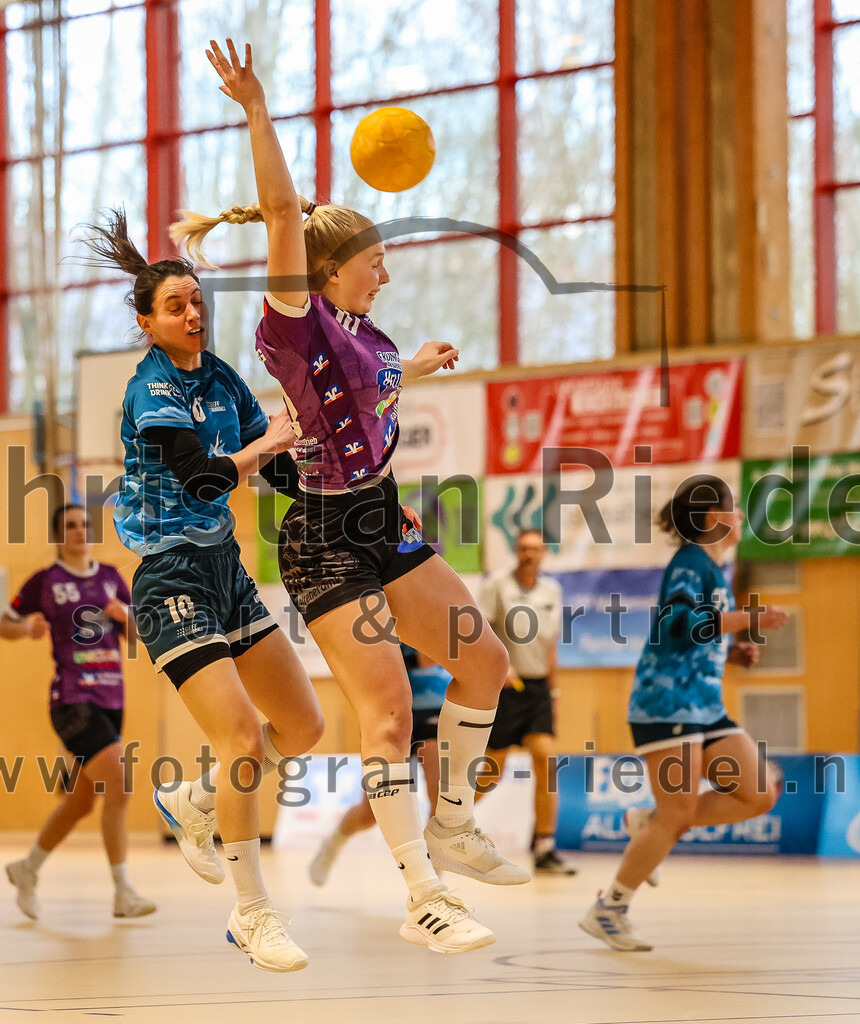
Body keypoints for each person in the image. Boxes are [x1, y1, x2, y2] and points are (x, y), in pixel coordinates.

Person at [170, 38, 528, 956]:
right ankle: (423, 895)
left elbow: (372, 386)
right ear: (325, 272)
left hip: (385, 516)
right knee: (387, 716)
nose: (387, 272)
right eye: (373, 260)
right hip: (325, 537)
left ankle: (451, 820)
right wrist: (255, 109)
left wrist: (423, 363)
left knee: (485, 664)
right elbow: (286, 210)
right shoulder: (293, 323)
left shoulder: (367, 333)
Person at [78, 210, 324, 973]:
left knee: (305, 727)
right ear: (149, 324)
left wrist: (347, 494)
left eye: (198, 301)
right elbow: (207, 476)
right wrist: (266, 445)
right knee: (245, 738)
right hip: (170, 576)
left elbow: (276, 471)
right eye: (176, 306)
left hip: (225, 571)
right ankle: (253, 913)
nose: (193, 313)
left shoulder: (220, 379)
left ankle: (195, 799)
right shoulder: (150, 389)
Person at [579, 475, 788, 951]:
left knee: (758, 794)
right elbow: (678, 625)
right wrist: (747, 619)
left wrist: (730, 653)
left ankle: (648, 820)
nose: (739, 517)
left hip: (704, 706)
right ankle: (609, 908)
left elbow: (697, 634)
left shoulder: (716, 569)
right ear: (714, 517)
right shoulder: (691, 562)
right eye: (733, 508)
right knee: (679, 813)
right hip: (666, 705)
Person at [0, 503, 156, 921]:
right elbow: (4, 624)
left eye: (85, 524)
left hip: (113, 698)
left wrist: (128, 617)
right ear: (58, 534)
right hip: (71, 699)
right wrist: (25, 628)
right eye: (70, 525)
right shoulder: (45, 581)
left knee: (82, 802)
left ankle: (27, 869)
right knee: (120, 786)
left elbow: (139, 638)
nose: (79, 530)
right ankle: (123, 892)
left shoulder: (109, 578)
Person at [308, 645, 449, 885]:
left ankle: (431, 881)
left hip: (436, 710)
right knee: (370, 813)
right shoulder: (383, 620)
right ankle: (333, 843)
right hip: (390, 713)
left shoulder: (452, 615)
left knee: (441, 802)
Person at [478, 528, 575, 876]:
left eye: (535, 549)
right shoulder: (497, 585)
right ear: (516, 551)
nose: (528, 554)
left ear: (544, 553)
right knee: (491, 772)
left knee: (547, 762)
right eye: (523, 548)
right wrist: (499, 668)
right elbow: (481, 631)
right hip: (505, 689)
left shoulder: (552, 590)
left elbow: (551, 647)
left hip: (537, 690)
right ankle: (450, 824)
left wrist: (554, 692)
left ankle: (545, 847)